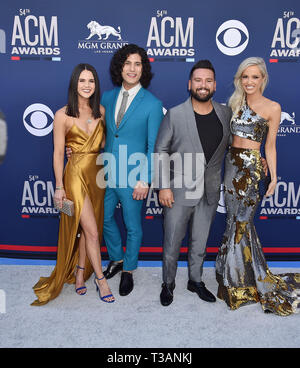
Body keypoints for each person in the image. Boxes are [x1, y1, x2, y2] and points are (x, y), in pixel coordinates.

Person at [215, 57, 300, 316]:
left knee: (242, 223)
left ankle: (238, 282)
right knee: (232, 221)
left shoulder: (273, 107)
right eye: (245, 77)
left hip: (251, 171)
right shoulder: (234, 103)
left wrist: (273, 177)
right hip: (230, 167)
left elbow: (270, 146)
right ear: (240, 79)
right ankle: (235, 277)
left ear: (263, 78)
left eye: (255, 77)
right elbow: (227, 139)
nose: (249, 81)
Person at [31, 64, 115, 305]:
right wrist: (59, 186)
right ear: (74, 84)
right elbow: (58, 153)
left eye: (91, 81)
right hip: (74, 176)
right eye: (82, 81)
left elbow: (104, 145)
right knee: (92, 231)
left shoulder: (101, 110)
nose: (87, 85)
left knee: (86, 228)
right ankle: (101, 280)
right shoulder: (62, 115)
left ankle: (80, 272)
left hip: (97, 176)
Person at [154, 60, 232, 306]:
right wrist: (164, 186)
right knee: (172, 241)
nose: (203, 85)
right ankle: (168, 283)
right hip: (177, 191)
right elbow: (160, 151)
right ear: (190, 84)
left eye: (208, 80)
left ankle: (195, 280)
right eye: (198, 80)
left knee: (200, 240)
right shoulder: (175, 114)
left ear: (215, 85)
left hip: (209, 191)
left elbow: (232, 148)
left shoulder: (225, 113)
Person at [100, 44, 164, 296]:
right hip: (105, 172)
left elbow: (153, 146)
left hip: (133, 176)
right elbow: (99, 133)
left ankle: (128, 270)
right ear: (120, 67)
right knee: (103, 218)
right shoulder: (106, 97)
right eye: (127, 63)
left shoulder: (152, 103)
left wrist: (145, 179)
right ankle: (116, 258)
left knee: (132, 225)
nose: (132, 69)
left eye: (137, 64)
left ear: (143, 69)